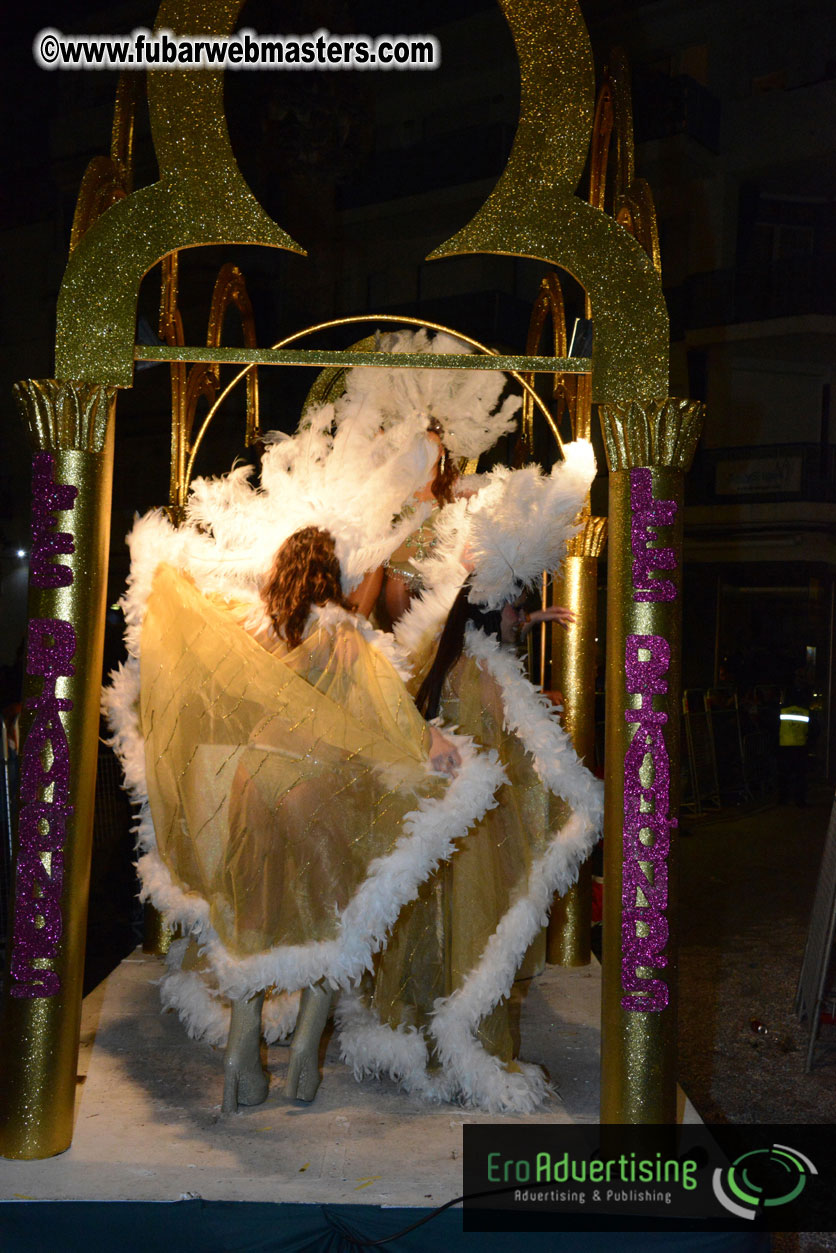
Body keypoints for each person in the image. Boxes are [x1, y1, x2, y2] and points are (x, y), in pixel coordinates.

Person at [107, 522, 503, 1111]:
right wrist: (432, 742)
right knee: (332, 914)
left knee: (253, 917)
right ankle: (303, 1052)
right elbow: (387, 707)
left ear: (281, 571)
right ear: (328, 574)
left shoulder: (252, 631)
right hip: (317, 786)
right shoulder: (343, 632)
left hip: (250, 784)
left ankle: (241, 1055)